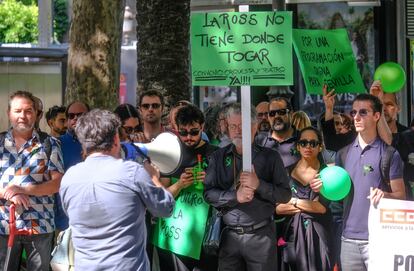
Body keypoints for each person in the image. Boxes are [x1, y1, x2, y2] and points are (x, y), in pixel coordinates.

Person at [59, 109, 174, 271]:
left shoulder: (69, 178)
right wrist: (154, 178)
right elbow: (166, 208)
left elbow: (69, 212)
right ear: (115, 139)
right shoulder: (132, 172)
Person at [311, 93, 405, 271]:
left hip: (379, 239)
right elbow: (338, 197)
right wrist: (323, 187)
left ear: (377, 116)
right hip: (348, 240)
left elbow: (401, 195)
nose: (356, 117)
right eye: (354, 112)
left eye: (363, 112)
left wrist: (384, 195)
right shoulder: (343, 153)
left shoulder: (389, 154)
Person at [204, 103, 291, 271]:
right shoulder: (218, 157)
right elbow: (208, 194)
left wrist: (259, 185)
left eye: (242, 125)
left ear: (254, 126)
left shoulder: (271, 157)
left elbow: (285, 195)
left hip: (261, 237)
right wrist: (235, 196)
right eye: (233, 126)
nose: (237, 131)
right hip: (228, 237)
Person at [0, 90, 64, 270]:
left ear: (36, 114)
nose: (23, 116)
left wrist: (23, 189)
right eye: (17, 111)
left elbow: (57, 183)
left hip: (40, 226)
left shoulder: (50, 144)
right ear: (9, 113)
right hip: (4, 226)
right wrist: (9, 192)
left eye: (28, 111)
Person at [156, 104, 218, 271]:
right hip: (174, 238)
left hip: (205, 238)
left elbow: (228, 192)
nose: (188, 137)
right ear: (176, 129)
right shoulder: (170, 155)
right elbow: (160, 196)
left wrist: (210, 181)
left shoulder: (216, 154)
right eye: (183, 132)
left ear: (202, 127)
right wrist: (180, 184)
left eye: (194, 132)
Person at [276, 127, 333, 271]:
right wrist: (309, 205)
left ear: (320, 147)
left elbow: (321, 208)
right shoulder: (286, 172)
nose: (308, 146)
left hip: (318, 238)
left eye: (313, 143)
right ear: (297, 146)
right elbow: (278, 208)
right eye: (303, 143)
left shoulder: (327, 174)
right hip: (291, 237)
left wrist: (293, 201)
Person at [255, 97, 299, 168]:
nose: (276, 116)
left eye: (281, 112)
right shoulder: (259, 141)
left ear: (291, 114)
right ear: (269, 117)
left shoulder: (303, 139)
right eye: (272, 113)